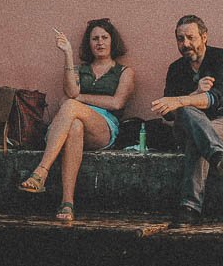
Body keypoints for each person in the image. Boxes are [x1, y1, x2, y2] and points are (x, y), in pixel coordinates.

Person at [17, 18, 135, 223]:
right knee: (75, 126)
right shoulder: (81, 70)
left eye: (104, 38)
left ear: (112, 41)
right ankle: (67, 202)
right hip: (74, 124)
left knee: (70, 106)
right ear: (88, 44)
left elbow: (116, 103)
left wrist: (79, 99)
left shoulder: (125, 72)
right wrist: (68, 54)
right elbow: (71, 90)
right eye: (95, 38)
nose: (100, 42)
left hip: (104, 127)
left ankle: (41, 171)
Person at [151, 15, 223, 228]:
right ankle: (218, 157)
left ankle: (189, 208)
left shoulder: (222, 59)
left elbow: (218, 98)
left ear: (204, 37)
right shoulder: (176, 69)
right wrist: (193, 95)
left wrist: (181, 100)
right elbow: (169, 113)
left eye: (190, 37)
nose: (185, 44)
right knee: (188, 115)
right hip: (189, 128)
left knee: (197, 137)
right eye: (180, 39)